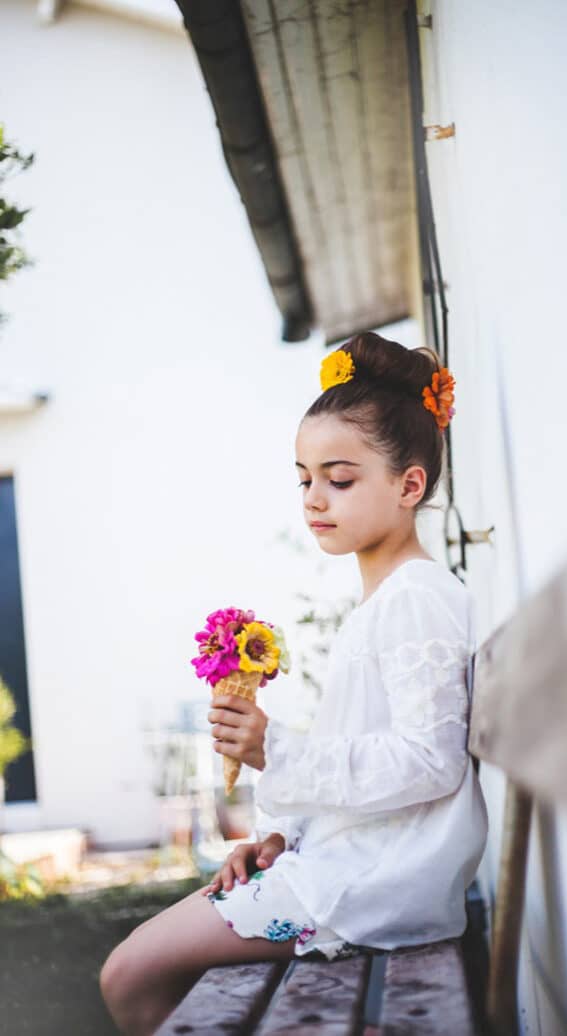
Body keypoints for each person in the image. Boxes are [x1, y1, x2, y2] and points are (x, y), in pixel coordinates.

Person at [99, 331, 488, 1035]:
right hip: (346, 863)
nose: (314, 498)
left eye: (339, 479)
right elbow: (366, 757)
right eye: (304, 478)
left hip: (375, 884)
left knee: (130, 972)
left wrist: (274, 748)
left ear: (410, 485)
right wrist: (279, 835)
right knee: (136, 969)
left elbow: (429, 762)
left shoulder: (417, 599)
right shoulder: (386, 601)